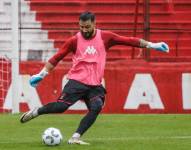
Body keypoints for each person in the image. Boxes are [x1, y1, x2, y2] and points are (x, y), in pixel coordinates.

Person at [20, 11, 169, 145]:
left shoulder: (106, 37)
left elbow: (129, 40)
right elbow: (56, 58)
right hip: (76, 81)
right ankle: (36, 112)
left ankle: (75, 137)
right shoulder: (74, 40)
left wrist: (152, 45)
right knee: (61, 107)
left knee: (96, 107)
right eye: (81, 27)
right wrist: (42, 74)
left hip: (95, 85)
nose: (84, 30)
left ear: (94, 24)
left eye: (87, 27)